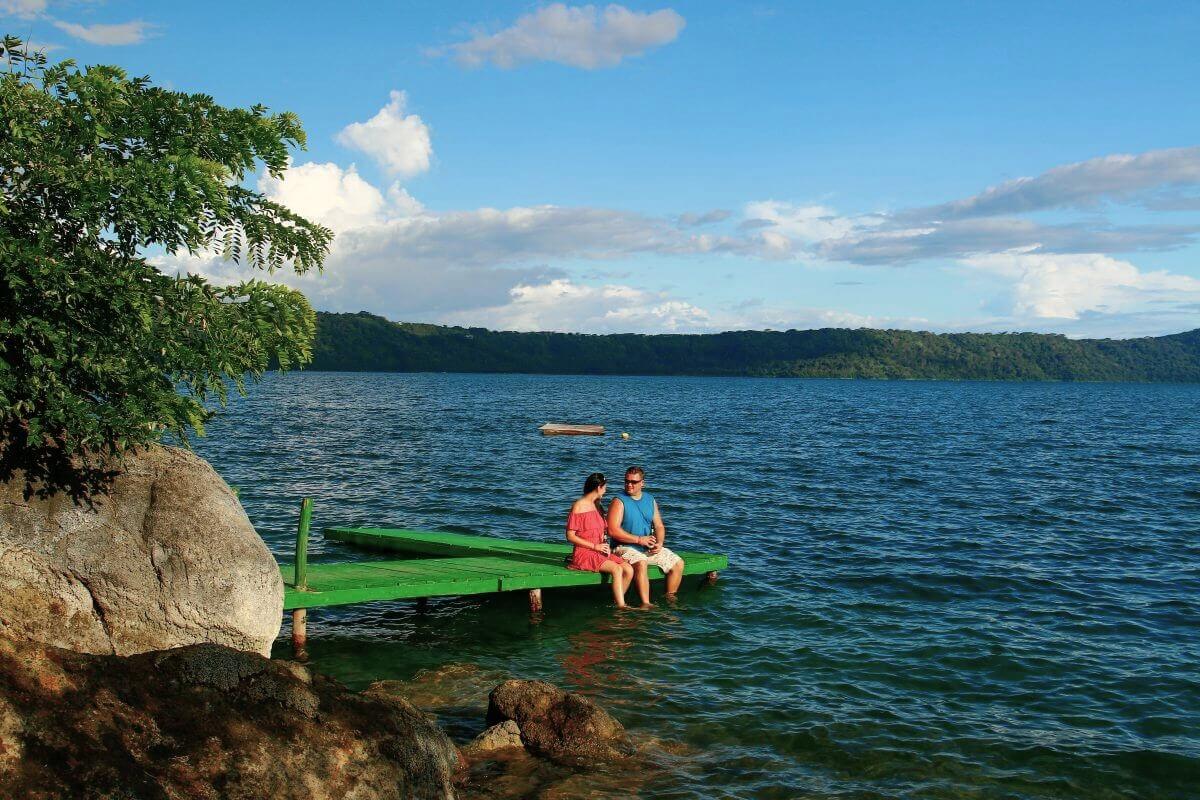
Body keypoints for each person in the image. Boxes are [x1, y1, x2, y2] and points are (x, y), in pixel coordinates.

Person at [607, 466, 685, 605]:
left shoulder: (650, 499)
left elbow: (659, 525)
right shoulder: (618, 501)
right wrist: (639, 539)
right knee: (641, 562)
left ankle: (670, 597)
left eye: (633, 482)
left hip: (646, 547)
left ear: (642, 483)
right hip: (623, 548)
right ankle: (646, 603)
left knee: (678, 563)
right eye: (626, 481)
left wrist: (659, 543)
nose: (629, 484)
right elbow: (612, 531)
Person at [565, 472, 634, 608]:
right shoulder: (579, 506)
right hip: (584, 552)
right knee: (616, 569)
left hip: (599, 551)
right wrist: (594, 546)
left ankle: (616, 601)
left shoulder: (598, 505)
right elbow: (570, 536)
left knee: (628, 569)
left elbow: (604, 530)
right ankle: (622, 607)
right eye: (605, 487)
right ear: (598, 488)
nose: (606, 490)